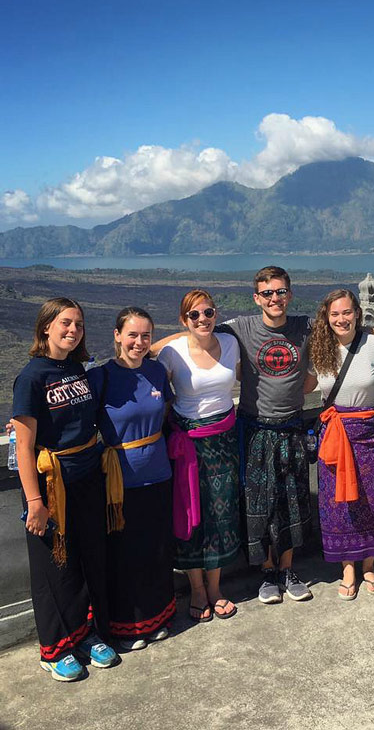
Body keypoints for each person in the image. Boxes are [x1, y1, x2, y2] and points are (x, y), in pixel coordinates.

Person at [12, 298, 118, 681]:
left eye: (79, 324)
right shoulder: (31, 377)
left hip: (87, 476)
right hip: (51, 484)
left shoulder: (75, 368)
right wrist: (35, 502)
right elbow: (23, 446)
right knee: (53, 567)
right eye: (65, 323)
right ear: (45, 328)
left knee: (86, 558)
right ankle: (55, 648)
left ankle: (85, 635)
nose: (73, 330)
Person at [214, 267, 315, 605]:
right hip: (255, 429)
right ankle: (267, 572)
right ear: (257, 298)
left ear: (290, 293)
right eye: (268, 293)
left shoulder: (303, 327)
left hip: (292, 428)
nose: (275, 298)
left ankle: (287, 570)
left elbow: (351, 330)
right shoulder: (240, 328)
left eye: (281, 291)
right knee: (259, 504)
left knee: (292, 501)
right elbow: (196, 335)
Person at [88, 307, 175, 650]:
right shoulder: (101, 377)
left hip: (158, 473)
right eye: (132, 335)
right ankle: (127, 626)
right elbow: (75, 420)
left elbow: (165, 411)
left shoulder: (156, 371)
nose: (139, 343)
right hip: (118, 480)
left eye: (146, 336)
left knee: (155, 549)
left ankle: (158, 617)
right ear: (117, 335)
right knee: (122, 554)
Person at [158, 289, 241, 622]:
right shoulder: (170, 352)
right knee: (190, 512)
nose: (203, 319)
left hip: (224, 440)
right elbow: (150, 381)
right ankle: (197, 589)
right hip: (188, 443)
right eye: (194, 315)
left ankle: (217, 587)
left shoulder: (231, 343)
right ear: (183, 320)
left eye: (208, 313)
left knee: (222, 514)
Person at [310, 289, 374, 599]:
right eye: (335, 314)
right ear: (326, 318)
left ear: (357, 313)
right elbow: (303, 383)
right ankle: (347, 567)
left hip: (369, 433)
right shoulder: (321, 347)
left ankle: (369, 565)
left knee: (371, 500)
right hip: (334, 434)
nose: (341, 319)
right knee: (338, 504)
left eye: (347, 312)